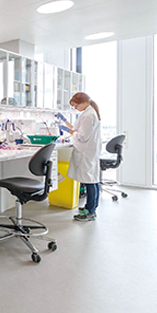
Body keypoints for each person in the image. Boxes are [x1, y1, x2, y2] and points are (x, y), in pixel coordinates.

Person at [60, 92, 102, 221]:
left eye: (76, 106)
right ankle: (91, 208)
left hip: (86, 152)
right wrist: (64, 121)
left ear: (83, 102)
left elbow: (82, 136)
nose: (75, 108)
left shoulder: (88, 115)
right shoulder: (88, 113)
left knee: (90, 181)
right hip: (89, 151)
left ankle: (90, 212)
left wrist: (69, 131)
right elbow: (76, 129)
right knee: (92, 180)